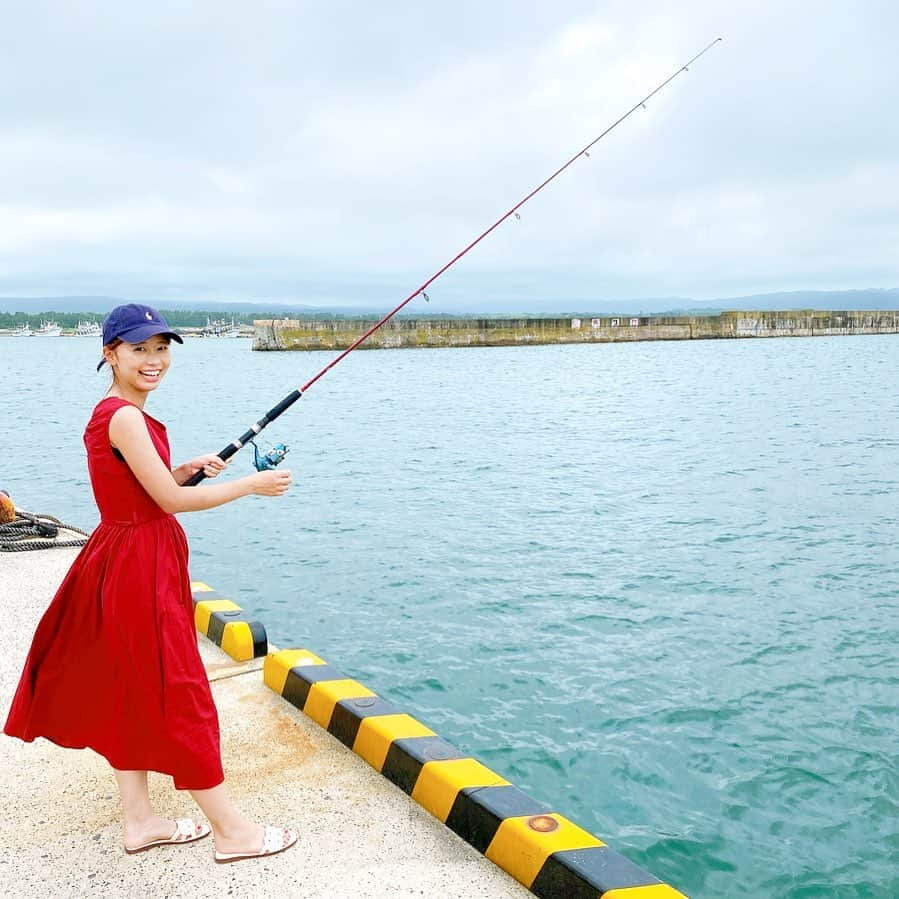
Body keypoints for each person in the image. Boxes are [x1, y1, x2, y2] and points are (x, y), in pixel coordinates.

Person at [4, 304, 298, 863]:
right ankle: (234, 833)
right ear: (109, 353)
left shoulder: (117, 413)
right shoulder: (126, 416)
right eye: (139, 349)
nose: (154, 360)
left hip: (122, 556)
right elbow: (170, 502)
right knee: (179, 691)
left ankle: (139, 820)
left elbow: (145, 486)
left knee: (131, 688)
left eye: (161, 349)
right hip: (139, 564)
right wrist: (250, 485)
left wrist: (180, 467)